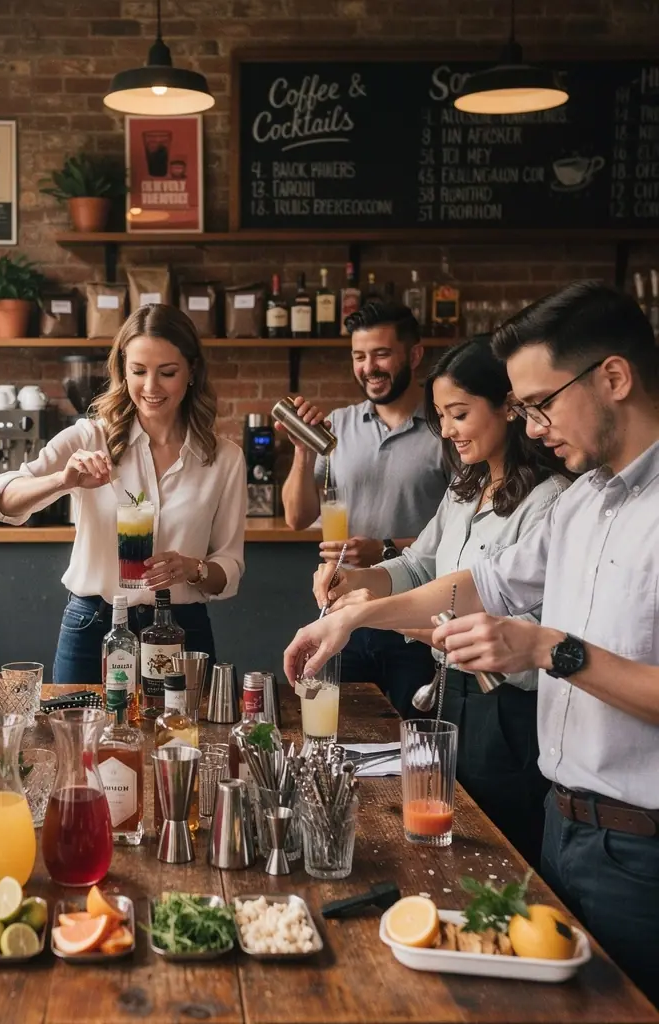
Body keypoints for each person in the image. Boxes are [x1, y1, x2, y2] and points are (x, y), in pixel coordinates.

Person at [284, 281, 659, 1006]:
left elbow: (542, 640)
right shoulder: (584, 500)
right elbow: (481, 581)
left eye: (541, 403)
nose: (535, 425)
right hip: (564, 824)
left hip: (643, 852)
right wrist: (355, 615)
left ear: (613, 377)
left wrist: (551, 650)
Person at [312, 338, 570, 866]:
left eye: (459, 414)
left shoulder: (552, 500)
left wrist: (368, 613)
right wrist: (356, 580)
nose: (447, 431)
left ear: (509, 407)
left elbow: (523, 624)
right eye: (441, 417)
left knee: (494, 852)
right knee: (440, 842)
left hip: (506, 711)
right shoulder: (464, 487)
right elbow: (418, 565)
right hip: (450, 695)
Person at [0, 303, 246, 685]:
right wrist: (64, 480)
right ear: (123, 371)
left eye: (167, 372)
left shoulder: (224, 459)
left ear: (191, 372)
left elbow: (230, 568)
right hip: (93, 624)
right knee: (78, 740)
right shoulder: (89, 438)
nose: (151, 387)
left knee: (183, 739)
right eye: (138, 371)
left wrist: (195, 569)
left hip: (181, 628)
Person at [280, 300, 449, 715]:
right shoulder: (337, 426)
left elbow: (458, 535)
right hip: (343, 615)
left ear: (413, 354)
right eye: (359, 356)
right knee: (341, 731)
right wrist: (303, 452)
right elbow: (297, 517)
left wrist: (386, 548)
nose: (368, 367)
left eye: (381, 354)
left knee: (415, 739)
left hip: (416, 622)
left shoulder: (448, 428)